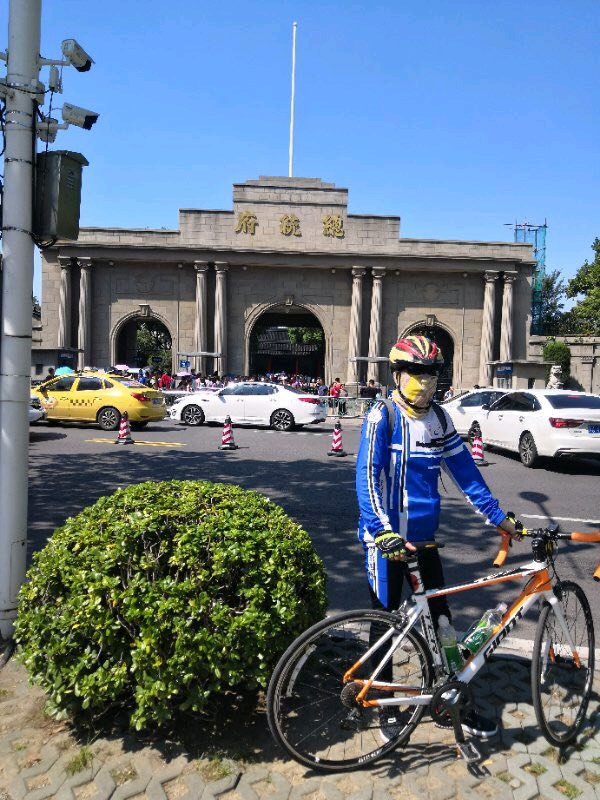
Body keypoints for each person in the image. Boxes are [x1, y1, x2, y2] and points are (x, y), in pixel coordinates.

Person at [355, 334, 524, 740]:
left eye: (430, 372)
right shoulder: (384, 417)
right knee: (387, 624)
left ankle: (452, 702)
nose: (424, 380)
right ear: (396, 374)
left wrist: (499, 518)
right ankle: (382, 705)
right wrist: (382, 532)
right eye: (414, 372)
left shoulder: (441, 420)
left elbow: (467, 475)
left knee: (443, 624)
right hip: (388, 543)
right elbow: (366, 479)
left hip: (425, 541)